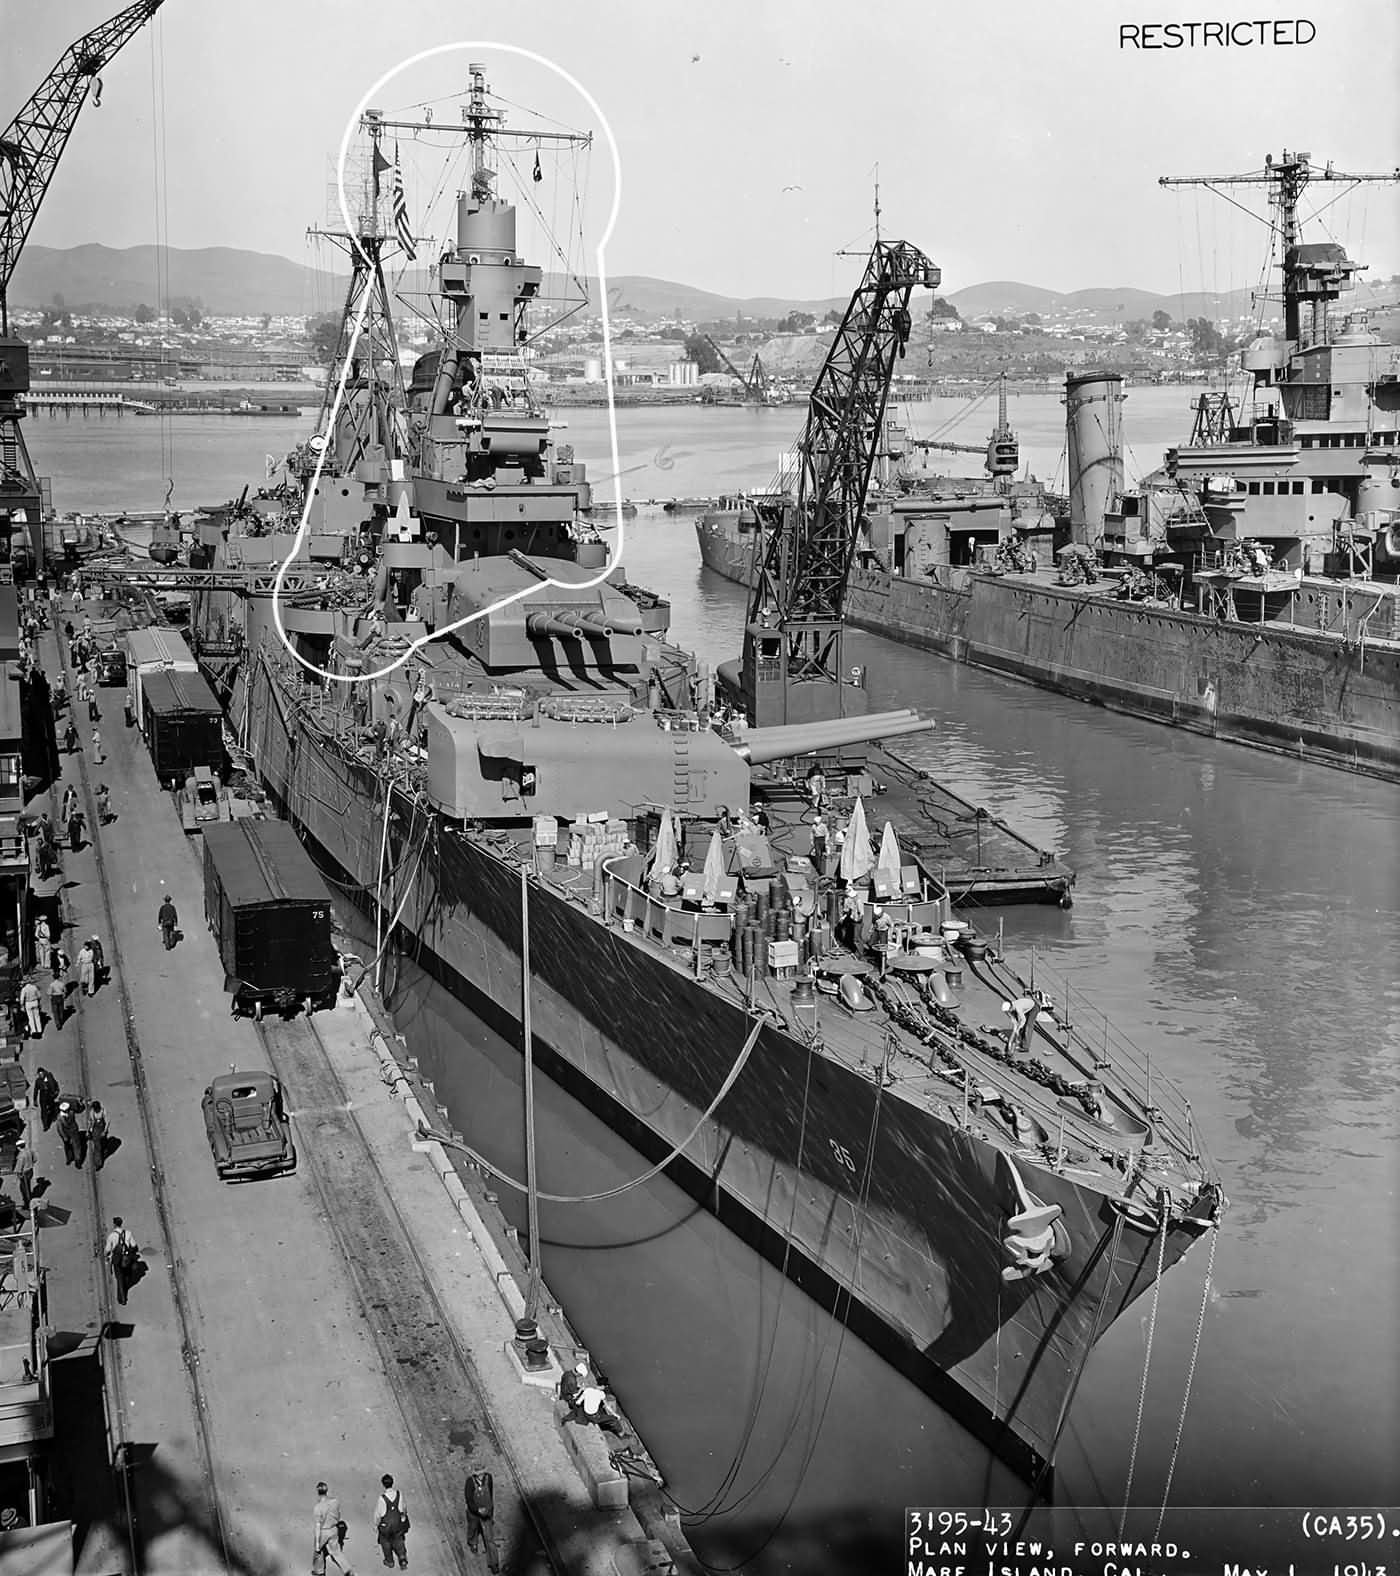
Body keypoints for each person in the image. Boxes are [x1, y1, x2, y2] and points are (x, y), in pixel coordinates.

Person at [464, 1464, 500, 1573]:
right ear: (475, 1475)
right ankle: (472, 1542)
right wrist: (477, 1510)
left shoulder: (489, 1478)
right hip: (474, 1513)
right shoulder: (470, 1482)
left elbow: (490, 1494)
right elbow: (469, 1500)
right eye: (479, 1475)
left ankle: (494, 1563)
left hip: (486, 1513)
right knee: (473, 1528)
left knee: (489, 1539)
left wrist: (490, 1511)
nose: (481, 1476)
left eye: (482, 1474)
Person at [373, 1474, 408, 1570]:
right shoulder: (399, 1494)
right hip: (397, 1524)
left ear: (383, 1484)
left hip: (386, 1527)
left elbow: (378, 1514)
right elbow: (403, 1508)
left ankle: (389, 1561)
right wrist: (403, 1518)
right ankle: (402, 1558)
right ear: (393, 1482)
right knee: (399, 1539)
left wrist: (376, 1525)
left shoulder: (382, 1498)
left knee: (385, 1542)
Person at [312, 1481, 345, 1576]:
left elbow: (318, 1526)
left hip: (323, 1532)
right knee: (337, 1553)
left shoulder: (318, 1507)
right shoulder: (335, 1502)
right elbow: (338, 1516)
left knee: (318, 1552)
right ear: (326, 1491)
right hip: (334, 1530)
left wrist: (317, 1544)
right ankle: (348, 1571)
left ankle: (319, 1572)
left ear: (318, 1492)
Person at [105, 1216, 138, 1306]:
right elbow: (134, 1245)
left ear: (114, 1224)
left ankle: (122, 1298)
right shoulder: (128, 1233)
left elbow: (107, 1249)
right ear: (121, 1223)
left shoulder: (111, 1236)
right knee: (126, 1274)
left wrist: (106, 1256)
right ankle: (125, 1286)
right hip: (126, 1259)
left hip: (117, 1260)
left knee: (119, 1278)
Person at [56, 1101, 86, 1167]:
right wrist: (64, 1136)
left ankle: (77, 1160)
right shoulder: (60, 1118)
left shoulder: (71, 1113)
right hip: (66, 1133)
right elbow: (60, 1128)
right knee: (68, 1146)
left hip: (73, 1131)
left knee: (76, 1145)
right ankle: (69, 1158)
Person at [87, 1099, 110, 1170]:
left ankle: (100, 1155)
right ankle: (98, 1163)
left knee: (101, 1144)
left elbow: (107, 1121)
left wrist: (105, 1131)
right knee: (97, 1147)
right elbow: (91, 1122)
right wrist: (89, 1130)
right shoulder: (92, 1112)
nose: (96, 1110)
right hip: (96, 1130)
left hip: (102, 1129)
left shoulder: (103, 1111)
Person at [15, 1138, 35, 1210]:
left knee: (25, 1190)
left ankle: (28, 1205)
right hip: (30, 1171)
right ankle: (28, 1201)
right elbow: (35, 1159)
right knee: (27, 1187)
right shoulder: (30, 1151)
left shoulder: (21, 1155)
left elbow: (19, 1167)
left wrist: (17, 1176)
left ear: (18, 1147)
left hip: (25, 1174)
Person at [47, 958, 67, 1029]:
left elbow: (49, 993)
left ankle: (58, 1024)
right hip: (60, 997)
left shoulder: (52, 984)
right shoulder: (61, 983)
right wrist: (63, 994)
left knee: (55, 1011)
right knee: (61, 1010)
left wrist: (50, 995)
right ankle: (61, 1020)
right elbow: (65, 990)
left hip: (54, 998)